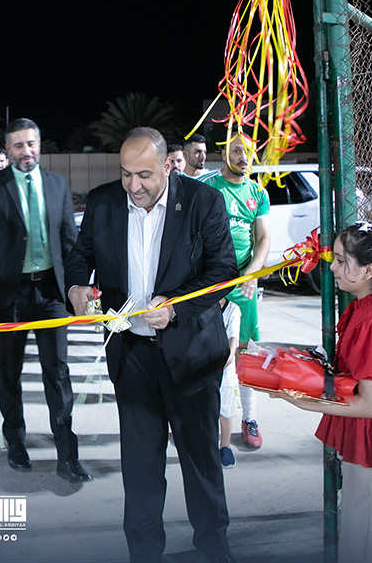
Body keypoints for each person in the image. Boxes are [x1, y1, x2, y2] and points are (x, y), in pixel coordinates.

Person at [65, 127, 239, 563]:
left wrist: (176, 307)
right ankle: (144, 553)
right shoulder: (104, 202)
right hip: (133, 358)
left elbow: (223, 271)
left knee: (201, 463)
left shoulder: (203, 202)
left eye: (143, 175)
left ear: (166, 166)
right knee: (140, 468)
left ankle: (214, 549)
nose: (133, 185)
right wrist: (76, 287)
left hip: (191, 355)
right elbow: (80, 254)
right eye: (126, 174)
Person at [271, 223, 372, 563]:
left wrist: (301, 400)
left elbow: (370, 405)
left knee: (365, 542)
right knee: (360, 535)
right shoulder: (364, 306)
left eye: (342, 261)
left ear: (369, 270)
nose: (332, 267)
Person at [0, 118, 90, 483]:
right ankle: (16, 444)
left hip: (51, 293)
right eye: (19, 145)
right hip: (10, 295)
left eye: (31, 144)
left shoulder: (57, 184)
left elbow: (70, 242)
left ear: (40, 144)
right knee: (9, 373)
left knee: (58, 373)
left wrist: (77, 288)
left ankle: (68, 456)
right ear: (8, 150)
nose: (26, 151)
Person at [202, 138, 271, 450]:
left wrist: (252, 274)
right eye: (237, 151)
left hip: (244, 284)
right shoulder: (208, 186)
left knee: (245, 352)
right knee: (203, 349)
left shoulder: (258, 193)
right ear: (223, 154)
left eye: (248, 151)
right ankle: (203, 418)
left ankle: (249, 417)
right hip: (210, 283)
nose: (244, 157)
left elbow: (264, 237)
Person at [218, 298, 242, 469]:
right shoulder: (202, 304)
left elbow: (233, 339)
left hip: (224, 368)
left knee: (225, 409)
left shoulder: (233, 310)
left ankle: (225, 446)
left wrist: (226, 360)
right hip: (201, 366)